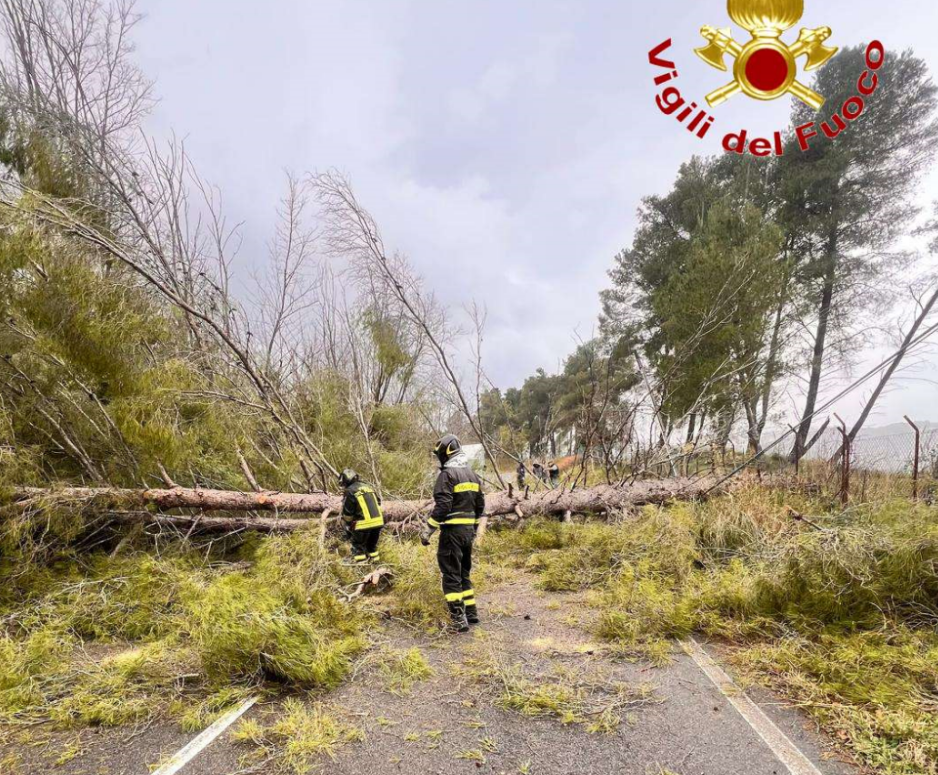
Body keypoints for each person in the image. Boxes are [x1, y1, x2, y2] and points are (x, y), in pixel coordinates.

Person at [420, 434, 485, 633]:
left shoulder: (447, 475)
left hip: (452, 534)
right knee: (464, 574)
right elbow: (480, 506)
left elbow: (443, 505)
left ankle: (458, 619)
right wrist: (472, 530)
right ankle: (471, 613)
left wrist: (428, 529)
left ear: (446, 453)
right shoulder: (473, 475)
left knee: (451, 575)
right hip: (467, 534)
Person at [339, 468, 384, 565]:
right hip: (378, 522)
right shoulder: (368, 487)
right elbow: (378, 502)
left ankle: (360, 566)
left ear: (345, 481)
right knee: (372, 547)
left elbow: (348, 513)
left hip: (363, 525)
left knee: (358, 546)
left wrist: (347, 526)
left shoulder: (350, 491)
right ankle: (375, 565)